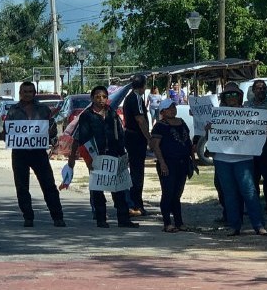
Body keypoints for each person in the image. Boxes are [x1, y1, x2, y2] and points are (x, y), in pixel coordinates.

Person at [67, 86, 139, 228]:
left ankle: (123, 219)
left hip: (114, 154)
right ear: (92, 98)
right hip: (96, 156)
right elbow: (82, 138)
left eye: (104, 97)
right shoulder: (87, 115)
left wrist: (123, 153)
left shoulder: (112, 112)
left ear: (107, 98)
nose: (101, 100)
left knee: (119, 187)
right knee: (98, 189)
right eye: (97, 97)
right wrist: (87, 159)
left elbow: (119, 132)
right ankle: (101, 218)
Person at [209, 82, 267, 236]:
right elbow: (208, 138)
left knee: (249, 192)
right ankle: (234, 225)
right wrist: (208, 130)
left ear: (240, 97)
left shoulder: (249, 113)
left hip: (244, 159)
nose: (231, 98)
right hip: (222, 159)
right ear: (223, 98)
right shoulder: (216, 114)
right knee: (229, 194)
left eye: (234, 94)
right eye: (228, 95)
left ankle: (258, 225)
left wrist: (264, 127)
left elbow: (263, 127)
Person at [7, 81, 65, 228]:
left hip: (39, 153)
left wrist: (51, 135)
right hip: (19, 153)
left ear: (34, 93)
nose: (28, 94)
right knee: (21, 187)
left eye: (30, 91)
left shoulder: (43, 109)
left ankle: (57, 217)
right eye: (25, 91)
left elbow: (51, 128)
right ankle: (28, 217)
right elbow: (7, 131)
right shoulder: (13, 111)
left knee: (49, 185)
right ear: (20, 93)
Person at [151, 98, 196, 233]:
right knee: (168, 192)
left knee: (177, 193)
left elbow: (188, 142)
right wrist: (162, 163)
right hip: (168, 162)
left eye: (173, 107)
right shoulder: (160, 126)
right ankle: (167, 223)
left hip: (182, 162)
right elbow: (155, 146)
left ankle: (179, 222)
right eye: (169, 108)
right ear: (163, 111)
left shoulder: (181, 122)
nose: (172, 110)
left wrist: (192, 159)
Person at [245, 79, 267, 214]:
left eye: (264, 88)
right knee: (252, 178)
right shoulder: (246, 106)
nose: (261, 90)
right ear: (253, 90)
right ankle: (253, 206)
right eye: (258, 88)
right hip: (250, 146)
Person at [123, 74, 151, 216]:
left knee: (136, 171)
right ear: (143, 86)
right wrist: (149, 137)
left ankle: (134, 203)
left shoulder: (129, 98)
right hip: (136, 137)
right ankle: (136, 204)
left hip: (131, 136)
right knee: (137, 173)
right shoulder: (136, 99)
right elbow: (140, 120)